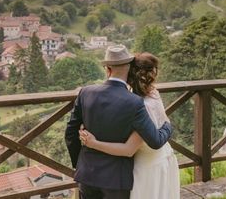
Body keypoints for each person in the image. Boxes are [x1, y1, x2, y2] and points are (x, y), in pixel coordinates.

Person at [65, 45, 173, 199]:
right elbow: (155, 141)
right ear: (129, 68)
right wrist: (168, 126)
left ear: (107, 69)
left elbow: (70, 133)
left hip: (87, 174)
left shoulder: (85, 92)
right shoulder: (135, 102)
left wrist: (80, 164)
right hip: (116, 180)